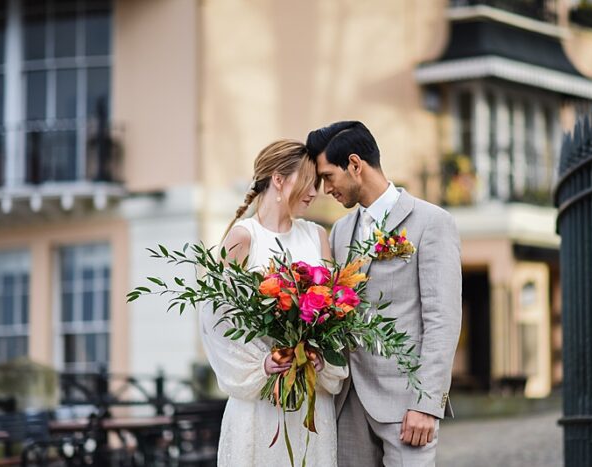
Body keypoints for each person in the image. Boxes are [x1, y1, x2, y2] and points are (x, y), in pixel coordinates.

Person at [306, 121, 462, 467]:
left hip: (407, 405)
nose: (325, 189)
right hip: (348, 402)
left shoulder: (431, 222)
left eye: (328, 176)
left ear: (355, 165)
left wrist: (427, 403)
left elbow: (443, 319)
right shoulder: (341, 230)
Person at [198, 140, 348, 466]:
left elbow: (336, 308)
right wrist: (261, 365)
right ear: (279, 179)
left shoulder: (316, 235)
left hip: (311, 401)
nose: (315, 192)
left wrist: (323, 357)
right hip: (261, 403)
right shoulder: (244, 236)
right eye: (308, 182)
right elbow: (214, 316)